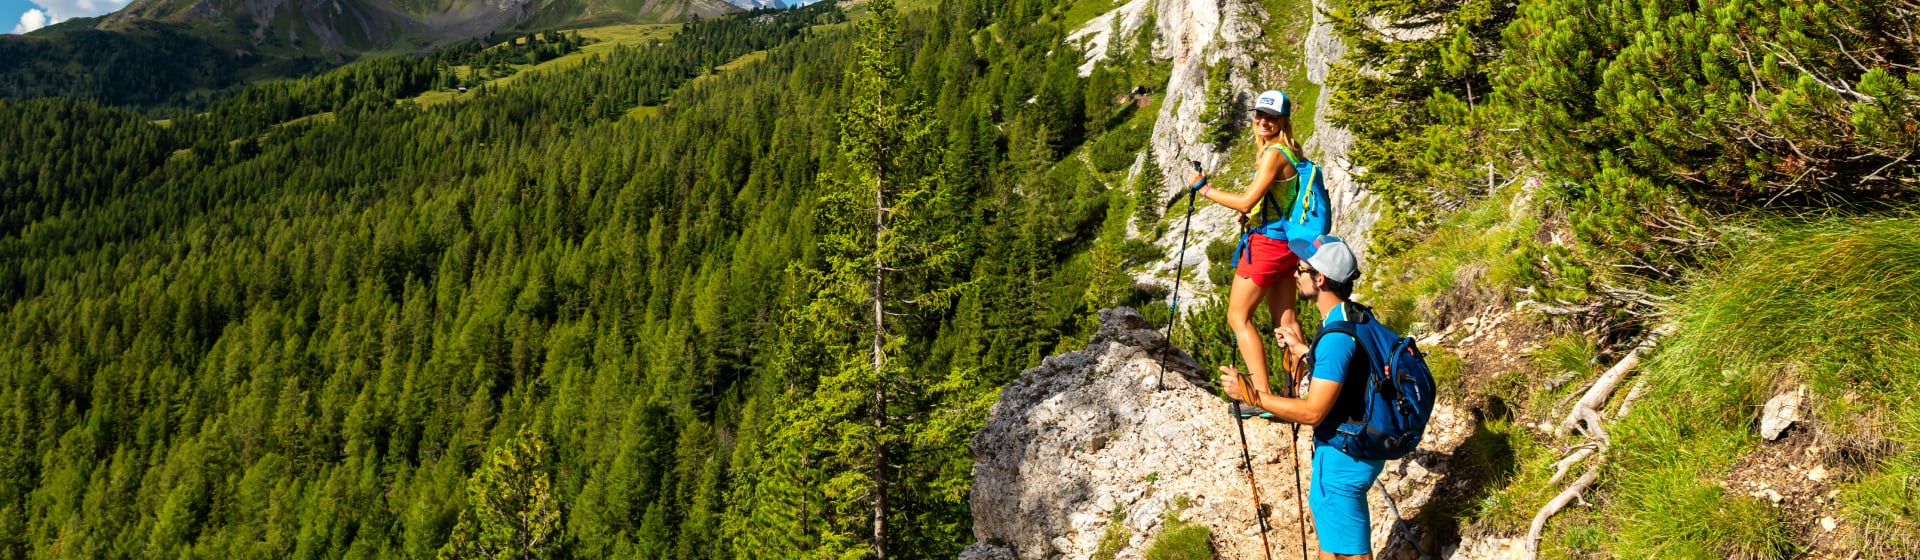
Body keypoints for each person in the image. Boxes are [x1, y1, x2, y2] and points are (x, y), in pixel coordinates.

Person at [1220, 236, 1385, 560]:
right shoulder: (1355, 317)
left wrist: (1252, 396)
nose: (1294, 275)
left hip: (1342, 459)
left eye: (1301, 269)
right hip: (1355, 451)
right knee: (1334, 547)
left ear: (1320, 279)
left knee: (1351, 554)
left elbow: (1312, 413)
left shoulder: (1336, 338)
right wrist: (1305, 352)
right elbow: (1352, 370)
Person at [1185, 90, 1311, 409]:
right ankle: (1294, 395)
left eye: (1270, 117)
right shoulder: (1291, 150)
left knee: (1238, 317)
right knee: (1286, 322)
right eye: (1259, 115)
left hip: (1267, 245)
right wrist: (1254, 213)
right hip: (1287, 245)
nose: (1263, 121)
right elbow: (1277, 199)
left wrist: (1204, 188)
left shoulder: (1273, 154)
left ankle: (1258, 397)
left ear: (1283, 120)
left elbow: (1245, 200)